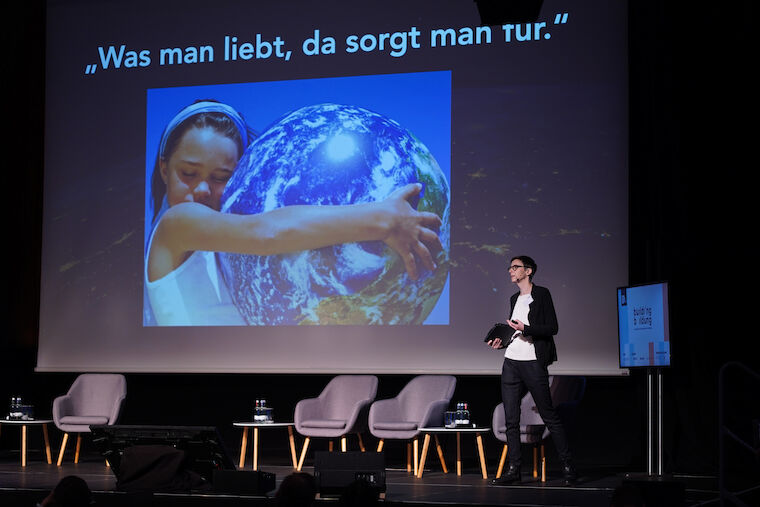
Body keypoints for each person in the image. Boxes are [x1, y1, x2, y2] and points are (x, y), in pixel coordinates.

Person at [145, 100, 442, 325]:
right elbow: (265, 234)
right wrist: (383, 220)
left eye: (221, 177)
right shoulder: (176, 224)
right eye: (188, 173)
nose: (202, 190)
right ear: (163, 169)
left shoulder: (224, 247)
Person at [487, 255, 577, 485]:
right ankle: (514, 470)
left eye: (515, 267)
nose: (511, 271)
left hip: (533, 361)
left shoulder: (542, 294)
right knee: (511, 419)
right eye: (510, 267)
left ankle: (568, 466)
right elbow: (515, 333)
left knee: (549, 415)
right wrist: (501, 342)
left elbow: (551, 328)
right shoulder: (514, 298)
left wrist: (526, 328)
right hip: (511, 362)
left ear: (528, 271)